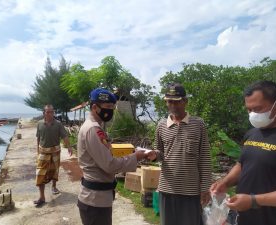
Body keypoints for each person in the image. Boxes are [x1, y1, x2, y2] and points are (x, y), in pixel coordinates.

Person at [77, 88, 147, 225]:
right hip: (95, 200)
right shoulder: (93, 129)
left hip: (98, 198)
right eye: (108, 107)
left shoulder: (96, 127)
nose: (111, 111)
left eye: (112, 107)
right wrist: (136, 157)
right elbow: (110, 165)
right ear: (95, 107)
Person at [211, 80, 276, 225]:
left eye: (257, 109)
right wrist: (225, 182)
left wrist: (253, 201)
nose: (252, 114)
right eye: (249, 109)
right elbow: (242, 164)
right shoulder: (252, 133)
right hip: (242, 217)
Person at [147, 83, 212, 225]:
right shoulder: (161, 125)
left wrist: (206, 187)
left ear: (185, 101)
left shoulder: (198, 124)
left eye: (177, 101)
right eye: (170, 101)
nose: (173, 105)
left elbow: (205, 157)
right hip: (167, 189)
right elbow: (160, 152)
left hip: (191, 191)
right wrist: (153, 155)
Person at [34, 104, 73, 207]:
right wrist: (37, 150)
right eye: (48, 112)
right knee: (40, 173)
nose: (50, 114)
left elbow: (65, 136)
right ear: (44, 113)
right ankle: (42, 197)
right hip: (43, 152)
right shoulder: (39, 124)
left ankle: (54, 186)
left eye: (52, 112)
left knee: (54, 171)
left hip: (55, 151)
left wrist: (69, 147)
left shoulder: (58, 124)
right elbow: (38, 138)